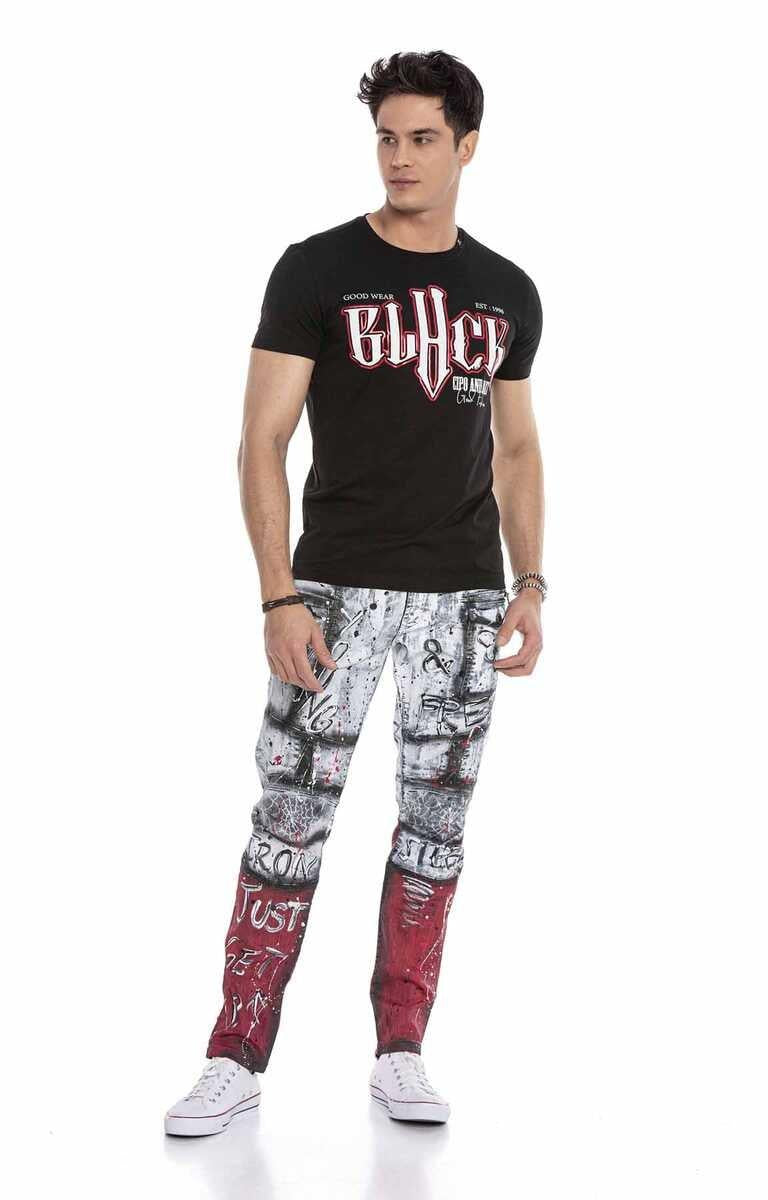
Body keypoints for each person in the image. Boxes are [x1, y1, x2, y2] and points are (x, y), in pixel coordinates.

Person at [164, 48, 546, 1137]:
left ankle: (401, 1051)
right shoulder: (316, 269)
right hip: (331, 592)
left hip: (462, 600)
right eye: (386, 137)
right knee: (288, 821)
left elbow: (517, 448)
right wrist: (277, 595)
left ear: (467, 146)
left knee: (435, 828)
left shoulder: (506, 291)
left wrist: (529, 582)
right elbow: (262, 438)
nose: (399, 158)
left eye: (422, 138)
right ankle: (234, 1055)